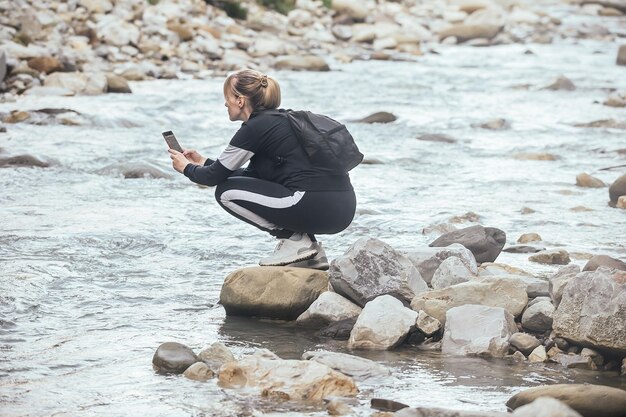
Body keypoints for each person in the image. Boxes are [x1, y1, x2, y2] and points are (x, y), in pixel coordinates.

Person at [168, 69, 356, 270]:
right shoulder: (280, 120)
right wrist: (203, 161)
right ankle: (313, 255)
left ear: (240, 100)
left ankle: (293, 239)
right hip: (343, 208)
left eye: (227, 98)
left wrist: (186, 168)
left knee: (225, 192)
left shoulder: (254, 128)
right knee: (235, 185)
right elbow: (251, 178)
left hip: (312, 201)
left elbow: (213, 178)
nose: (225, 103)